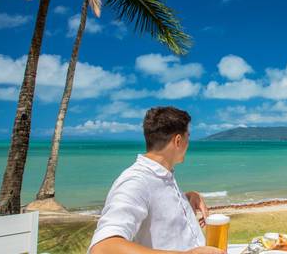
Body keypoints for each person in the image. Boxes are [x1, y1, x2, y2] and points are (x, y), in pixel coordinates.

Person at [89, 106, 223, 254]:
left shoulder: (162, 175)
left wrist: (189, 196)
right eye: (188, 136)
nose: (188, 144)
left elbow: (159, 203)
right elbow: (103, 247)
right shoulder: (135, 182)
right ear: (178, 141)